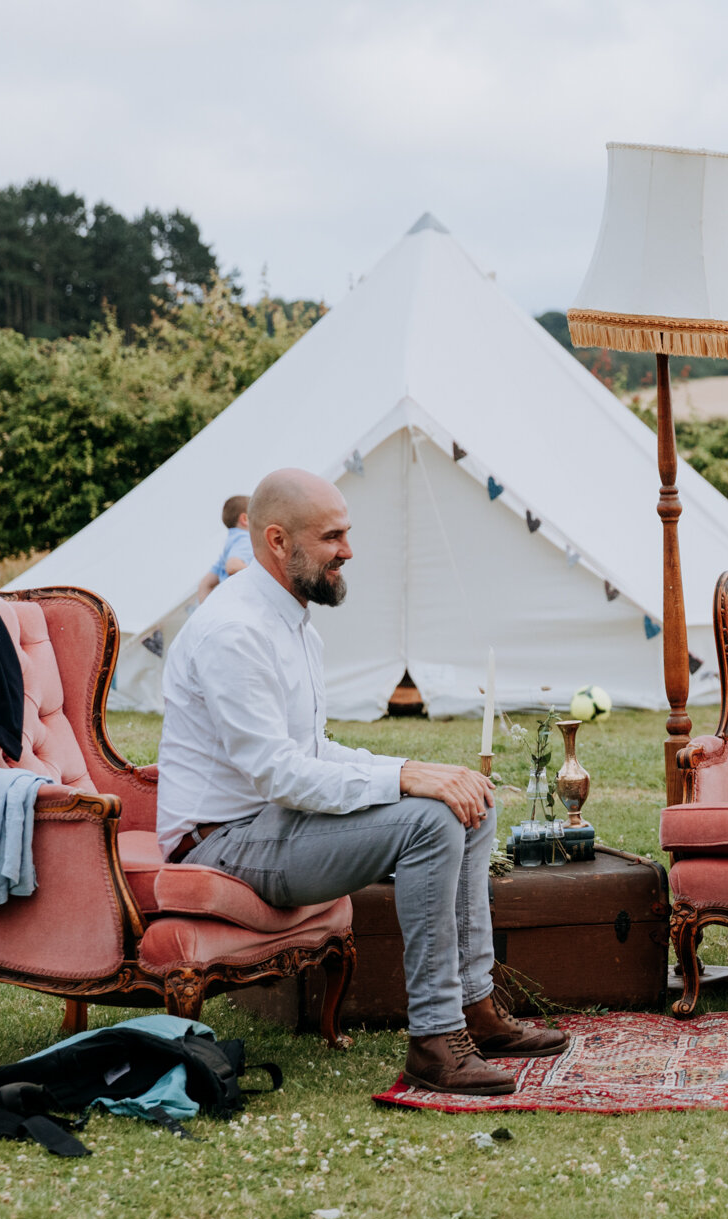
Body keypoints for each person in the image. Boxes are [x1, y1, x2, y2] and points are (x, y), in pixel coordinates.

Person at [156, 467, 564, 1096]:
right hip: (223, 841)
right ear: (276, 541)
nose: (348, 550)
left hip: (272, 823)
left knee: (466, 803)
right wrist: (404, 779)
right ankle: (434, 1040)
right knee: (430, 818)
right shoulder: (234, 631)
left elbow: (312, 750)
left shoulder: (292, 622)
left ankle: (476, 1009)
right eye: (332, 536)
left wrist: (424, 773)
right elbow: (277, 773)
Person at [192, 494, 253, 605]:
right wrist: (261, 577)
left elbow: (204, 585)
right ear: (244, 519)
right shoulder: (245, 539)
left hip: (228, 603)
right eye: (256, 515)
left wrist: (208, 610)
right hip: (242, 602)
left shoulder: (229, 547)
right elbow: (232, 566)